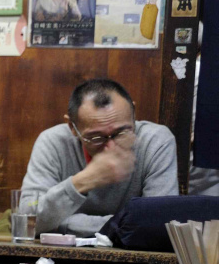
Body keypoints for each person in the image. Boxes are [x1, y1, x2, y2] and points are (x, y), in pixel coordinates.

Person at [21, 79, 178, 236]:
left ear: (133, 113)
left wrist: (63, 224)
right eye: (96, 138)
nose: (111, 147)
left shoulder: (156, 141)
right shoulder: (53, 142)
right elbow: (27, 219)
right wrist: (83, 181)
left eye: (121, 133)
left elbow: (159, 223)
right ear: (72, 127)